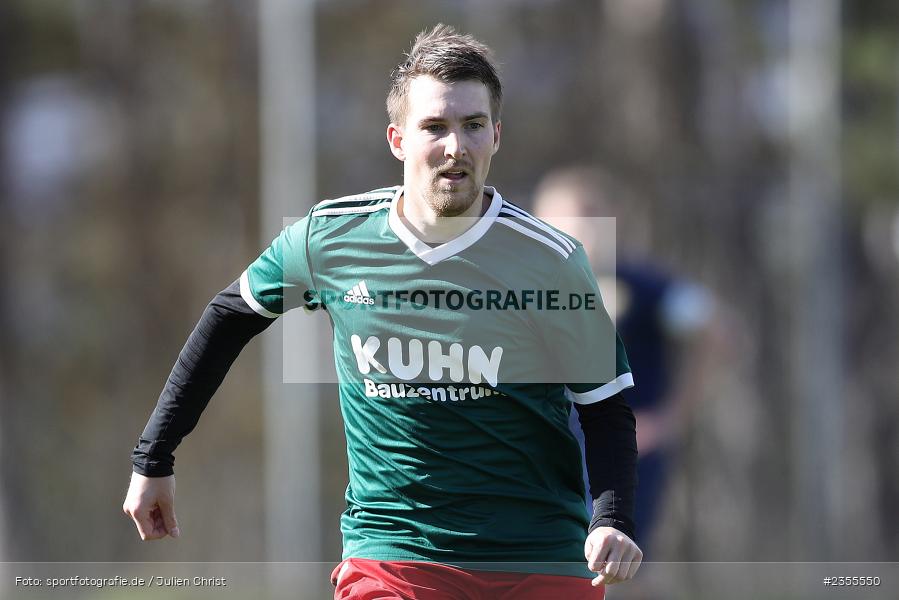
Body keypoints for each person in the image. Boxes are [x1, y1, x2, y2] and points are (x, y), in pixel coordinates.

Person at [123, 25, 642, 599]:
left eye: (472, 126)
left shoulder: (551, 260)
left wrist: (613, 518)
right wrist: (154, 456)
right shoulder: (330, 238)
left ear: (496, 135)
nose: (455, 146)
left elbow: (604, 404)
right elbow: (229, 317)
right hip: (395, 554)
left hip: (537, 553)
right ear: (397, 139)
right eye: (434, 127)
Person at [534, 166, 716, 557]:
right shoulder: (535, 290)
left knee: (624, 568)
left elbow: (716, 333)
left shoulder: (644, 286)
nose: (574, 228)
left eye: (586, 215)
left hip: (627, 455)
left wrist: (670, 419)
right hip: (557, 454)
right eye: (557, 217)